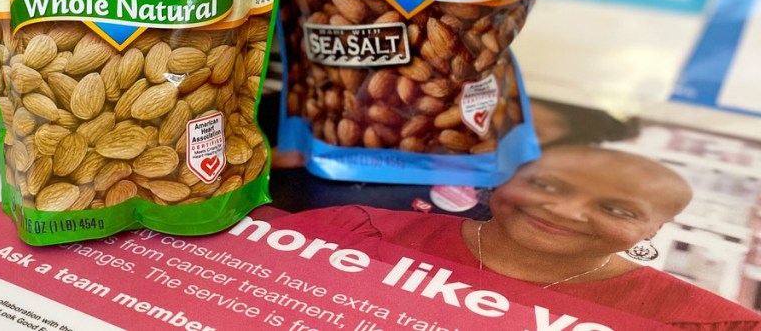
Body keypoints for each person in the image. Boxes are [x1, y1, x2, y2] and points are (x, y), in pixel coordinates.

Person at [272, 145, 761, 330]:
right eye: (546, 184)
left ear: (653, 229)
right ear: (504, 180)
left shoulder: (709, 324)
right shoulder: (350, 232)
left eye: (615, 208)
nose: (564, 210)